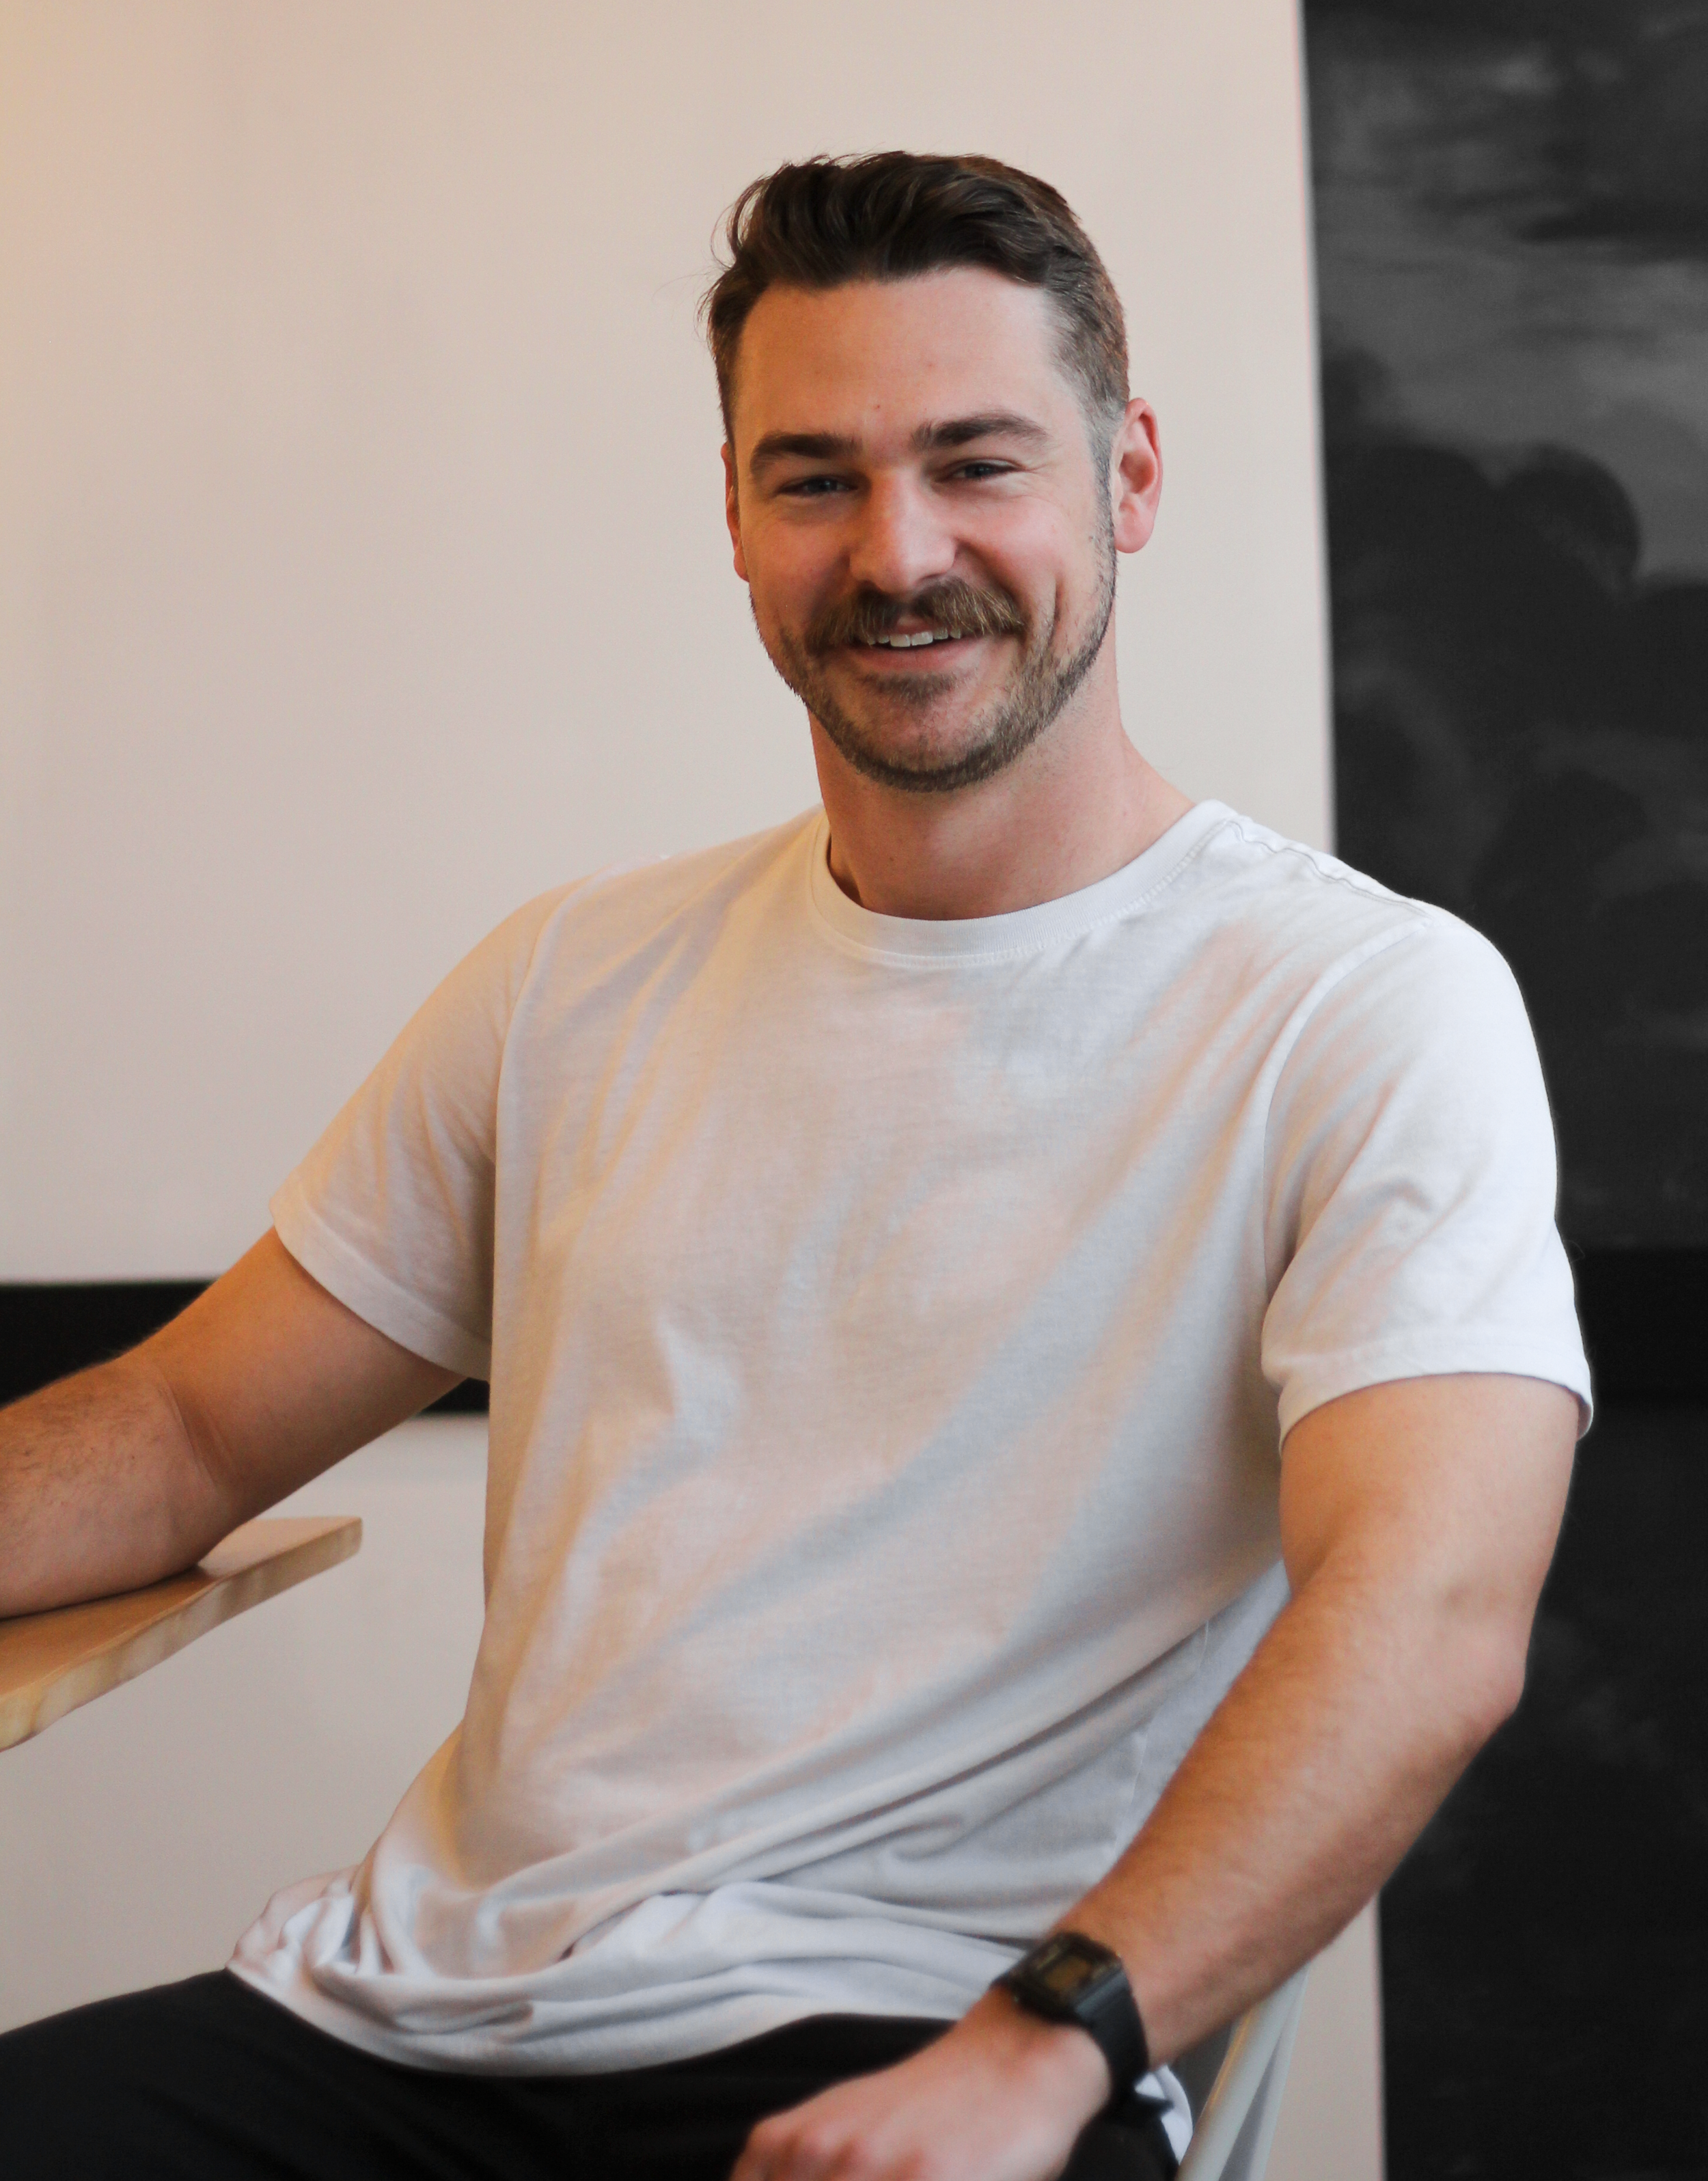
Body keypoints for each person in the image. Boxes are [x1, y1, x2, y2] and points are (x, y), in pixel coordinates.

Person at [0, 152, 1588, 2181]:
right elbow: (181, 1432)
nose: (896, 549)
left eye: (975, 462)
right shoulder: (573, 974)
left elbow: (1429, 1611)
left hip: (936, 2032)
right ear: (738, 524)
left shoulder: (1360, 1006)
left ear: (1131, 480)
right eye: (816, 476)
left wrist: (1049, 2052)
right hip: (407, 2023)